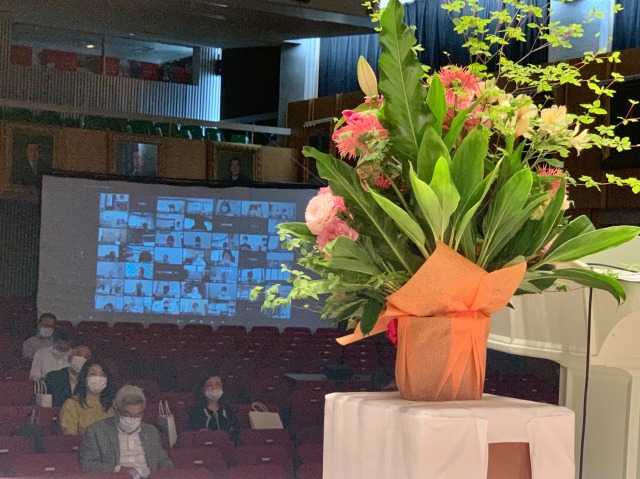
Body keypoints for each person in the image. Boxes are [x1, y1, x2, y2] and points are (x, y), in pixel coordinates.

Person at [80, 385, 173, 477]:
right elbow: (88, 465)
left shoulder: (151, 431)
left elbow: (164, 462)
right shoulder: (96, 431)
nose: (132, 419)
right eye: (127, 414)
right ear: (116, 410)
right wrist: (118, 470)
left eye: (138, 415)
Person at [60, 359, 116, 435]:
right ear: (84, 378)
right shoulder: (72, 404)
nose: (98, 378)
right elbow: (70, 435)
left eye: (102, 375)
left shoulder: (113, 405)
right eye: (93, 374)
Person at [187, 373, 239, 443]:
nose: (214, 388)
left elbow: (235, 432)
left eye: (218, 384)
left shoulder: (229, 410)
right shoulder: (195, 410)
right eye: (209, 385)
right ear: (203, 389)